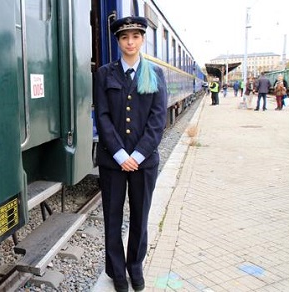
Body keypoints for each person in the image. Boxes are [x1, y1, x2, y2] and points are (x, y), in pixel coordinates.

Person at [94, 15, 167, 292]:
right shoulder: (104, 74)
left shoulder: (155, 74)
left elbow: (158, 120)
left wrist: (136, 156)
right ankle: (117, 273)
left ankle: (135, 268)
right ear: (118, 41)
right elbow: (102, 116)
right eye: (124, 37)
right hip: (113, 162)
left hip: (144, 162)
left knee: (139, 217)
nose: (130, 42)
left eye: (135, 36)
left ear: (142, 39)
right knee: (112, 219)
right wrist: (119, 155)